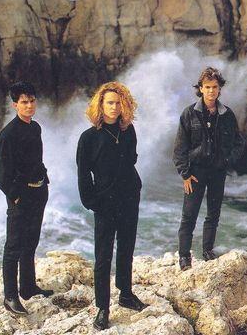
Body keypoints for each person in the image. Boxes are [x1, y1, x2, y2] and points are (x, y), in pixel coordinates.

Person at [76, 81, 148, 331]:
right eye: (109, 103)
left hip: (129, 198)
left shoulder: (128, 130)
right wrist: (92, 202)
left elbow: (132, 159)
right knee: (103, 256)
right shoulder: (88, 138)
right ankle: (102, 307)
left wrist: (133, 187)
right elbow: (83, 174)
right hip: (105, 203)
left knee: (127, 248)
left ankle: (125, 294)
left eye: (118, 103)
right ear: (100, 105)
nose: (114, 107)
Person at [173, 67, 245, 271]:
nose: (211, 91)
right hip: (195, 172)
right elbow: (179, 148)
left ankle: (207, 251)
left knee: (213, 214)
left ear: (219, 88)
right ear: (201, 89)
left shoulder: (227, 114)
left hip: (217, 172)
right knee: (189, 216)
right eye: (207, 87)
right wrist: (185, 174)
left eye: (215, 87)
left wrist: (227, 160)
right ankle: (184, 257)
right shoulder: (189, 113)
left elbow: (239, 142)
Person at [0, 81, 54, 316]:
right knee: (14, 246)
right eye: (24, 102)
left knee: (31, 241)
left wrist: (44, 179)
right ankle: (10, 296)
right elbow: (1, 173)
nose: (29, 105)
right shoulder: (8, 134)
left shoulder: (35, 127)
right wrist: (15, 196)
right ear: (15, 105)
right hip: (21, 195)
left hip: (39, 191)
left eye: (32, 101)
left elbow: (35, 160)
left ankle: (28, 287)